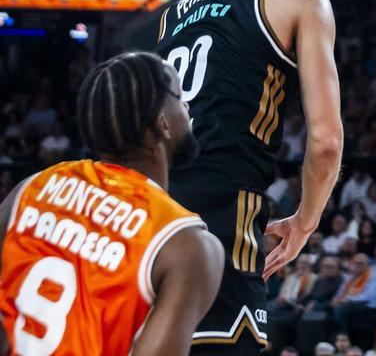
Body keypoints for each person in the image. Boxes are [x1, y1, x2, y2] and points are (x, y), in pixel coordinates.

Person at [156, 0, 343, 353]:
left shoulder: (171, 15)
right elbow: (325, 142)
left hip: (151, 204)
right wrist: (305, 221)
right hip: (223, 207)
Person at [0, 52, 224, 355]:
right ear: (163, 124)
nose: (186, 105)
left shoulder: (32, 188)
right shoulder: (185, 244)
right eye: (178, 95)